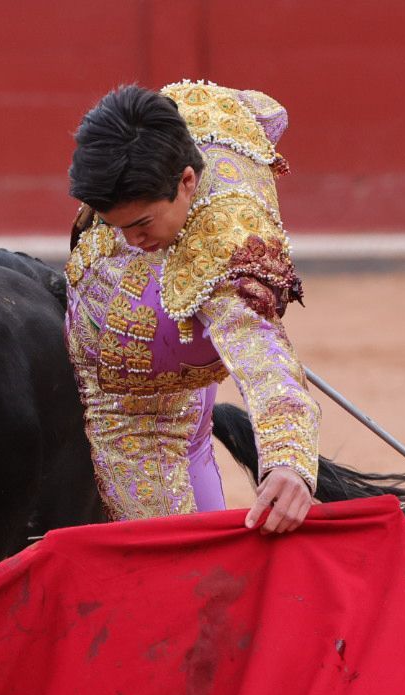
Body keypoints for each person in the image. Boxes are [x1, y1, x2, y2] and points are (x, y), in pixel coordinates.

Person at [65, 81, 319, 534]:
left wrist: (288, 459)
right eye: (114, 225)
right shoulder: (166, 126)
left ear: (187, 181)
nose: (130, 241)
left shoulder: (226, 241)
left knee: (175, 582)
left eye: (141, 223)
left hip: (134, 422)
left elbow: (262, 354)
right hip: (177, 378)